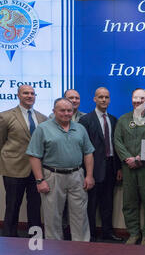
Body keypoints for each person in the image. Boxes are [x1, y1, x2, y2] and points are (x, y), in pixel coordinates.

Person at [26, 98, 95, 241]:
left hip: (77, 176)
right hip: (52, 176)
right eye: (62, 110)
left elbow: (88, 153)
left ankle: (81, 247)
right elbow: (34, 156)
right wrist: (40, 180)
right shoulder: (43, 129)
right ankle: (55, 249)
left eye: (69, 110)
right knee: (53, 216)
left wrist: (89, 176)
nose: (66, 113)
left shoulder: (80, 128)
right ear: (54, 111)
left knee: (80, 214)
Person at [114, 88, 145, 246]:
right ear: (131, 99)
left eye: (141, 98)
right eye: (135, 98)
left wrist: (140, 158)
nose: (138, 101)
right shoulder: (123, 119)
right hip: (128, 167)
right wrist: (128, 158)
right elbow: (117, 141)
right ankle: (133, 233)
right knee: (129, 202)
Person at [0, 85, 47, 237]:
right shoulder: (6, 116)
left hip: (37, 170)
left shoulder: (42, 118)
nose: (29, 96)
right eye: (25, 93)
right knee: (13, 205)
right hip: (14, 168)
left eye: (32, 93)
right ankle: (9, 237)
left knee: (35, 205)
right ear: (18, 95)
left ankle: (35, 238)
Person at [79, 87, 123, 242]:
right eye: (100, 97)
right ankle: (90, 234)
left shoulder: (113, 119)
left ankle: (107, 232)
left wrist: (118, 167)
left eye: (106, 97)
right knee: (91, 204)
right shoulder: (85, 120)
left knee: (108, 203)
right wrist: (87, 173)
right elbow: (82, 148)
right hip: (93, 168)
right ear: (94, 99)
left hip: (111, 167)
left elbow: (116, 145)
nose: (104, 100)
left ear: (110, 100)